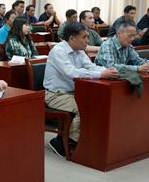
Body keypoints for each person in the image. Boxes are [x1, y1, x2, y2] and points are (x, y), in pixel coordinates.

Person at [44, 22, 118, 157]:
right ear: (72, 39)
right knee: (84, 109)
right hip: (56, 95)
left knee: (98, 104)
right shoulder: (58, 51)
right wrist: (101, 74)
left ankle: (82, 140)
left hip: (75, 92)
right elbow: (71, 73)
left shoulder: (79, 51)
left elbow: (91, 67)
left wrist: (107, 71)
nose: (87, 41)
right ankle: (67, 143)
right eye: (84, 37)